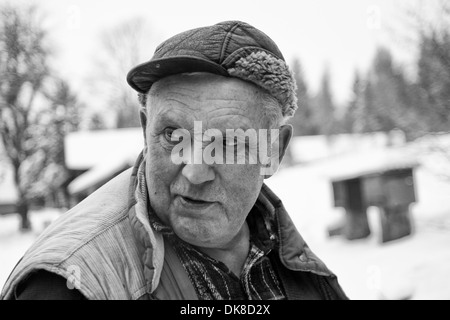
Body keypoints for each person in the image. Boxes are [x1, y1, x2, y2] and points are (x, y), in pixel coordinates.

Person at [1, 20, 347, 300]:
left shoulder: (294, 263)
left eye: (227, 142)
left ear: (272, 152)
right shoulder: (70, 284)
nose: (195, 172)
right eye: (172, 135)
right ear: (145, 130)